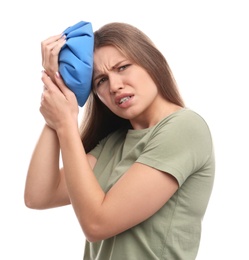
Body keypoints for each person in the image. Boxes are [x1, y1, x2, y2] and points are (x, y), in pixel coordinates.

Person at [24, 22, 215, 260]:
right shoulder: (114, 142)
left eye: (122, 67)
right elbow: (39, 195)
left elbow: (96, 224)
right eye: (101, 81)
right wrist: (58, 98)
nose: (114, 86)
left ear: (151, 61)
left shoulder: (184, 128)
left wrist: (66, 123)